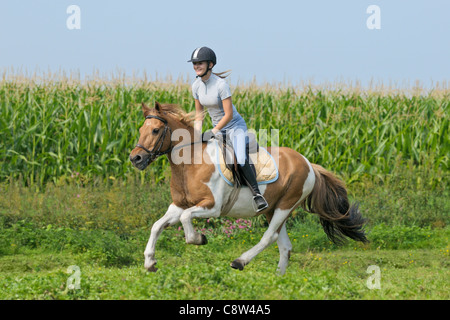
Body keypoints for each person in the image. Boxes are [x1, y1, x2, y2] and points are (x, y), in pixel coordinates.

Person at [188, 46, 268, 212]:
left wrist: (214, 131)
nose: (196, 66)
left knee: (238, 156)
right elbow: (199, 115)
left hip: (234, 126)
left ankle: (257, 194)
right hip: (217, 127)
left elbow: (229, 114)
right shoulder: (196, 86)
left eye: (200, 63)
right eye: (195, 63)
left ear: (210, 64)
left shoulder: (221, 85)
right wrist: (196, 135)